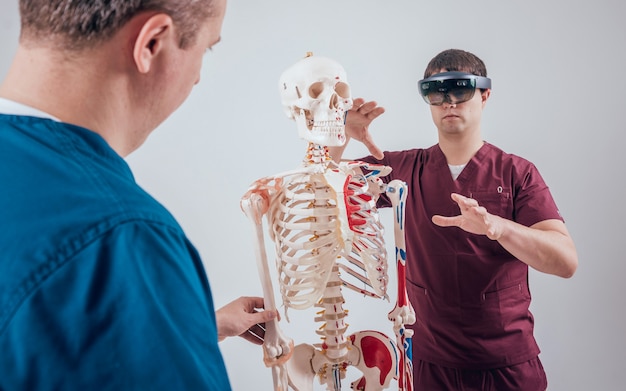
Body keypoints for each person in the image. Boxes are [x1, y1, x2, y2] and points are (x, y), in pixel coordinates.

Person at [0, 0, 276, 389]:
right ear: (152, 43)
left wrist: (174, 329)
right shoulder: (119, 239)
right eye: (205, 49)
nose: (196, 77)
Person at [334, 49, 578, 390]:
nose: (449, 102)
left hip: (506, 365)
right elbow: (323, 193)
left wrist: (498, 227)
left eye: (460, 90)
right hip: (432, 365)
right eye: (436, 92)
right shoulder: (403, 169)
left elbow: (565, 261)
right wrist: (340, 138)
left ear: (484, 94)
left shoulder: (516, 173)